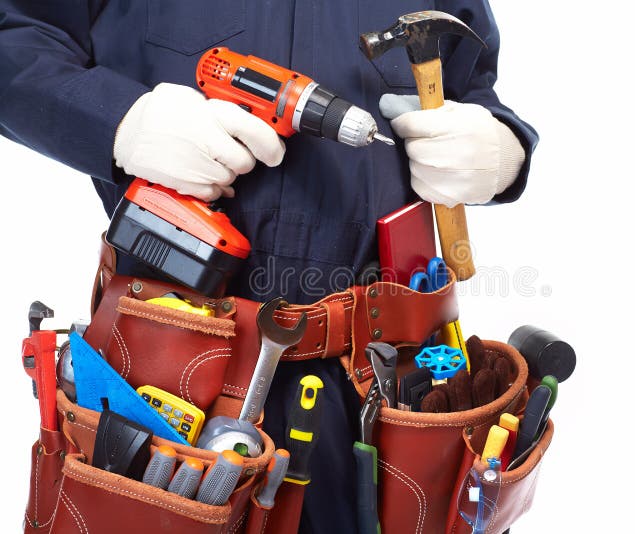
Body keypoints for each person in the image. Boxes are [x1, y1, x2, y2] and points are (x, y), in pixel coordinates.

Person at [0, 2, 537, 532]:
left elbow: (470, 82)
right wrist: (118, 120)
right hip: (163, 381)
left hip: (384, 388)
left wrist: (502, 146)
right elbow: (13, 38)